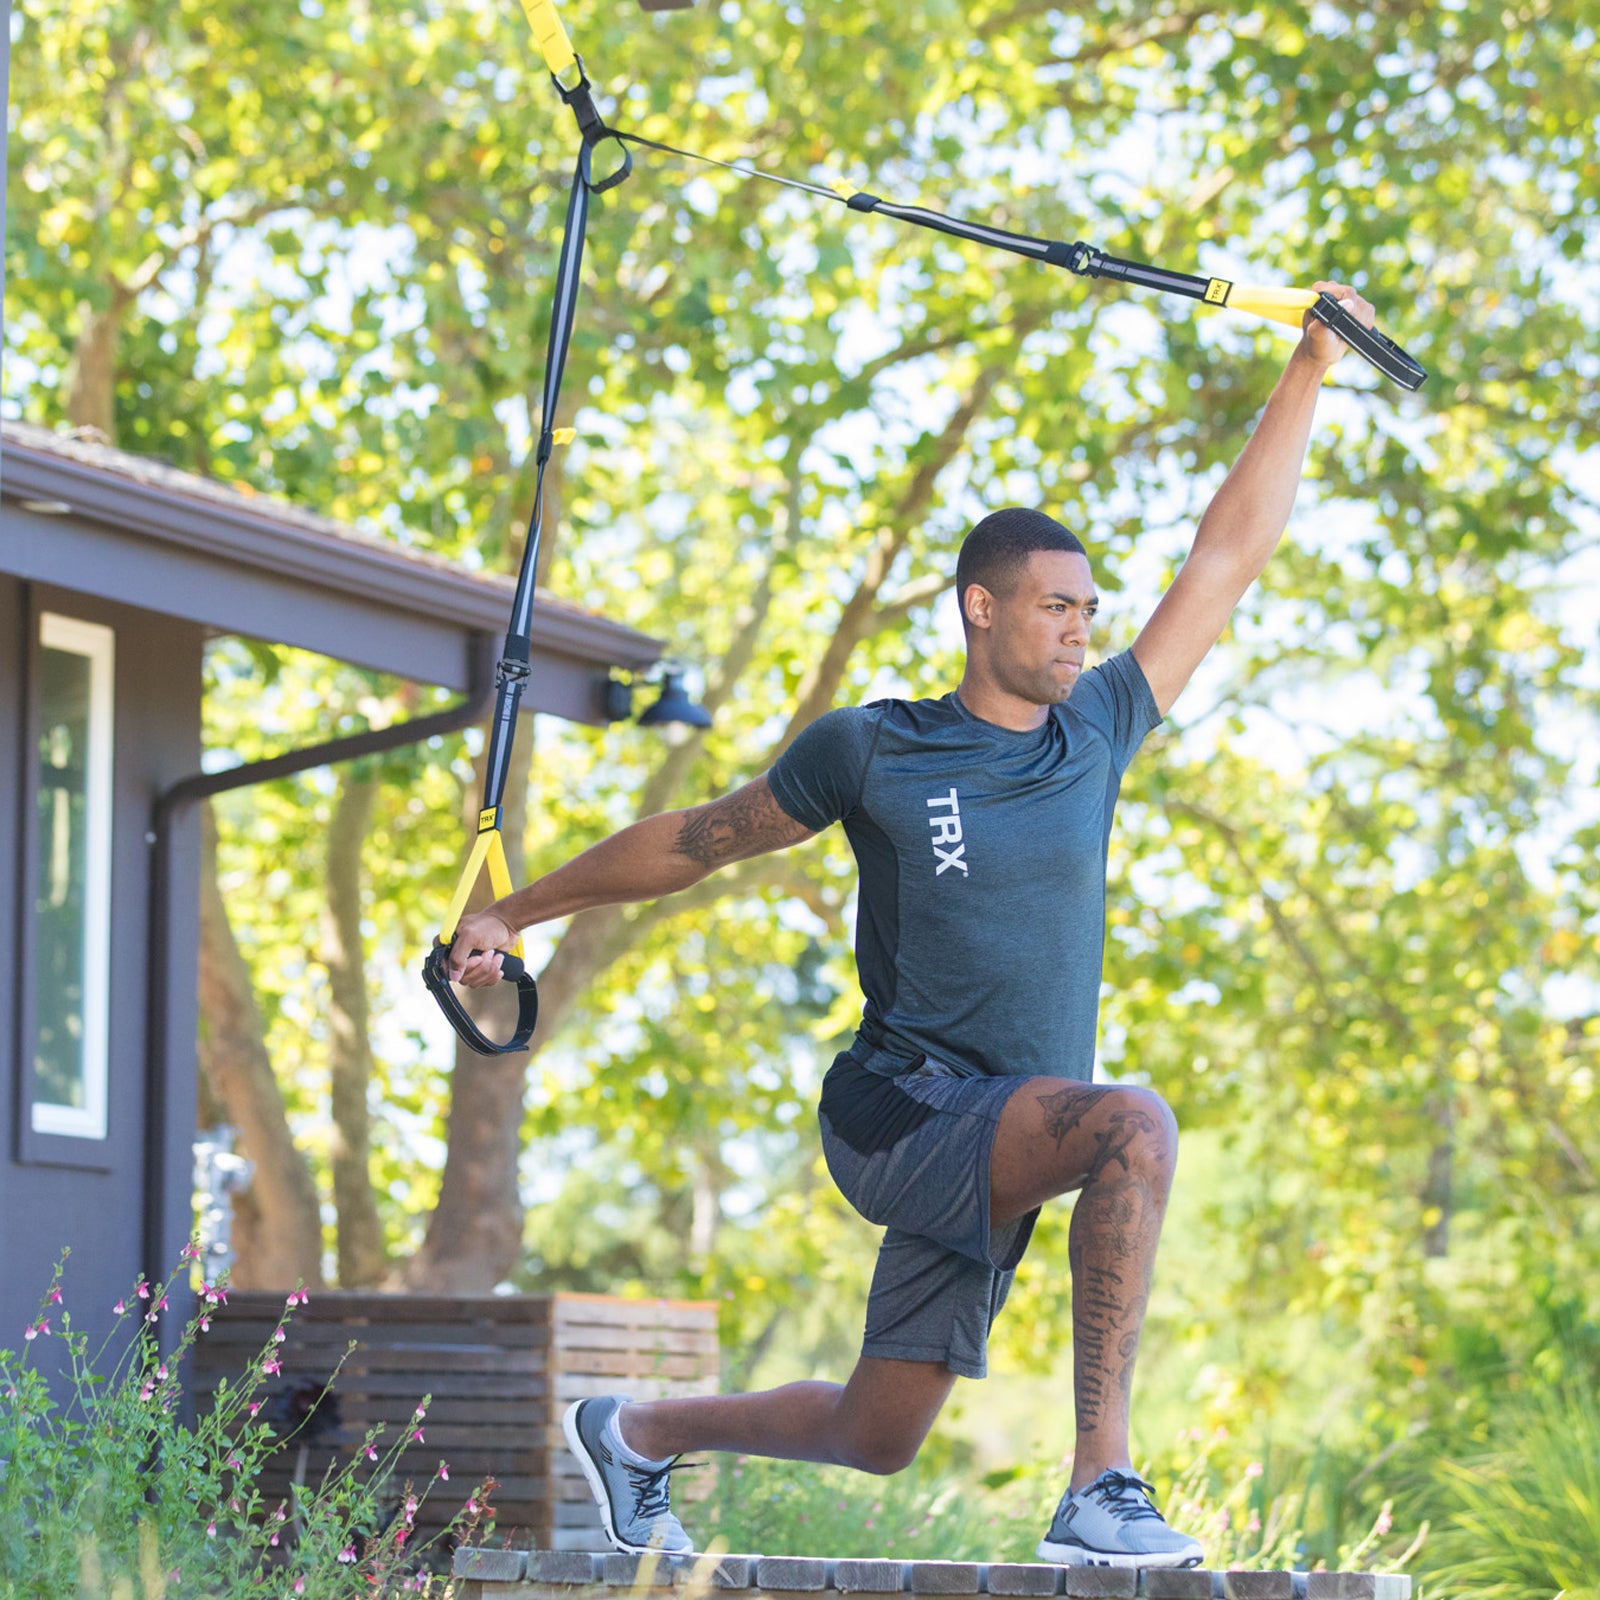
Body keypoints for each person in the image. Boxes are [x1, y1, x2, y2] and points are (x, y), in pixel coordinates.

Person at [448, 285, 1375, 1569]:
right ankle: (1099, 1484)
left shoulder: (1095, 731)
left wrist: (1310, 365)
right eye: (1056, 605)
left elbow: (1227, 554)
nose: (1080, 628)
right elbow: (695, 838)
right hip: (898, 1107)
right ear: (979, 609)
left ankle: (635, 1427)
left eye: (1088, 610)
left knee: (877, 1430)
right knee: (1136, 1124)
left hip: (998, 1127)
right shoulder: (877, 748)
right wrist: (512, 907)